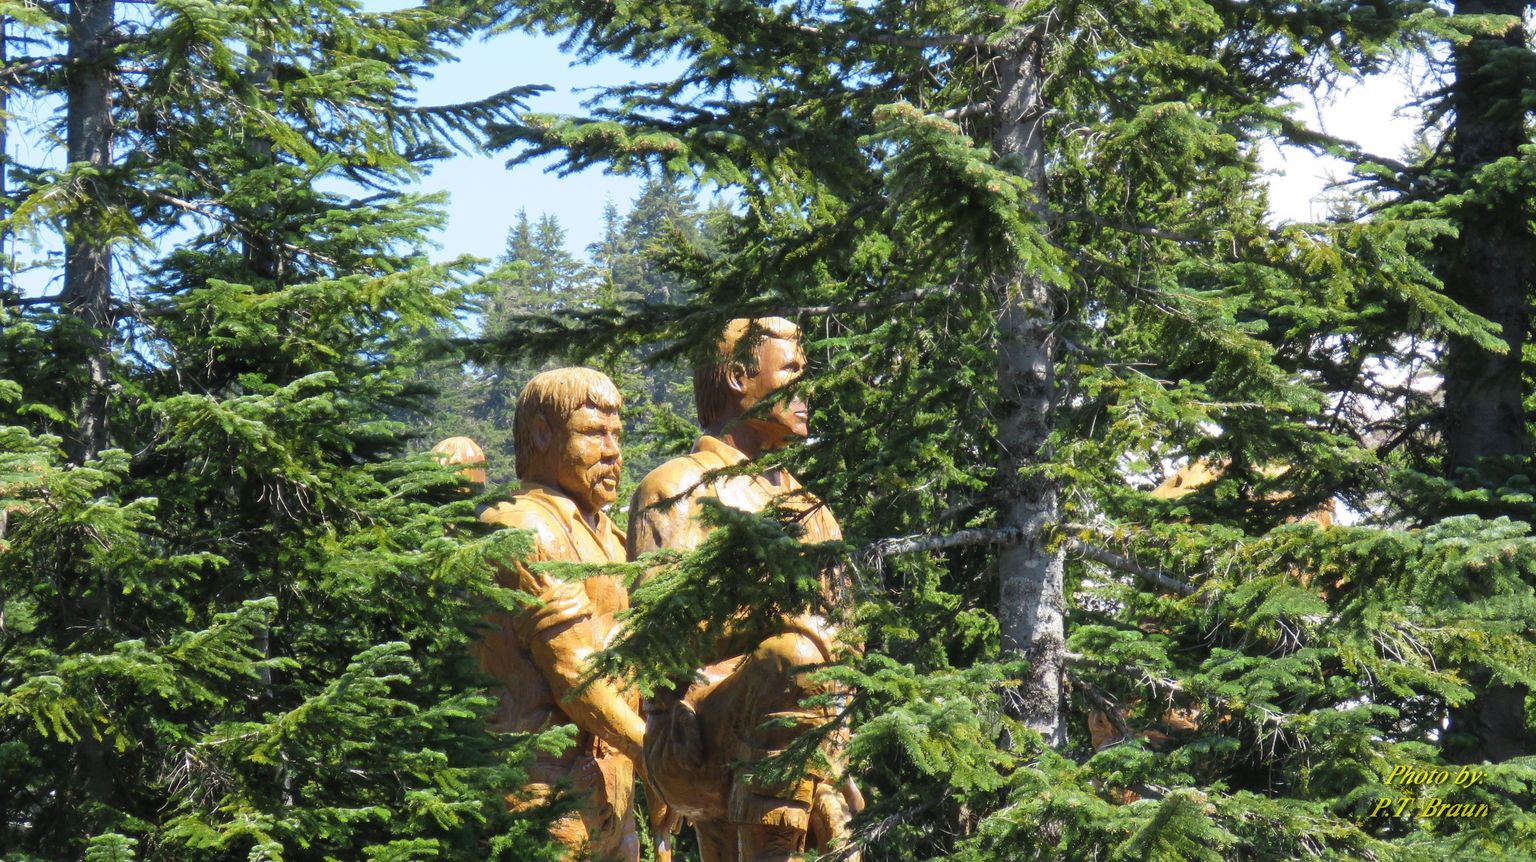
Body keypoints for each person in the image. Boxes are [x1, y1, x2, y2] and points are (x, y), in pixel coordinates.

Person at [629, 318, 861, 862]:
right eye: (791, 372)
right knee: (794, 653)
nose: (807, 391)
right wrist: (784, 614)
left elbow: (849, 642)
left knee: (802, 658)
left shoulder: (813, 509)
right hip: (695, 734)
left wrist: (839, 754)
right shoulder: (675, 487)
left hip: (808, 732)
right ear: (738, 377)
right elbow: (665, 641)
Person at [476, 367, 644, 862]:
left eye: (617, 434)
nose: (612, 450)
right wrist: (664, 760)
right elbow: (575, 670)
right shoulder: (524, 527)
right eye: (593, 434)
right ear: (543, 435)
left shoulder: (611, 538)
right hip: (543, 803)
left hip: (615, 798)